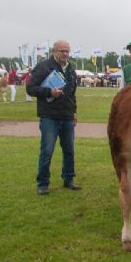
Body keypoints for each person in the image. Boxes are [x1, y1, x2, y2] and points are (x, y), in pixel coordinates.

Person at [26, 40, 80, 195]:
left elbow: (71, 94)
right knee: (47, 151)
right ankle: (43, 183)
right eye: (62, 51)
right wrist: (49, 93)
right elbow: (30, 88)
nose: (65, 54)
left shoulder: (71, 69)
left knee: (69, 150)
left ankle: (69, 179)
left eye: (67, 51)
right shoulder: (43, 67)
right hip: (49, 116)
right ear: (54, 51)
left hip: (67, 116)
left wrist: (74, 112)